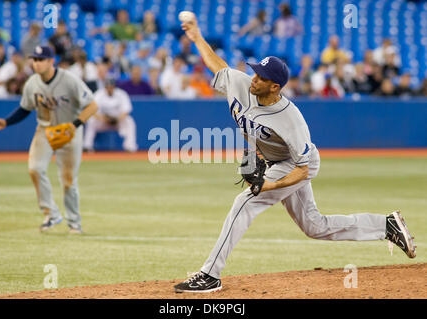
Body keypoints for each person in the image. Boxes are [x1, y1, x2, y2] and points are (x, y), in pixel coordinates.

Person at [173, 15, 416, 293]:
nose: (254, 78)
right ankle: (385, 225)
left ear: (274, 87)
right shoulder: (241, 84)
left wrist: (270, 185)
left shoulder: (291, 120)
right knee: (315, 226)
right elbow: (216, 65)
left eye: (261, 77)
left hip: (298, 164)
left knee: (244, 203)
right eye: (255, 71)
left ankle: (209, 275)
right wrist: (196, 37)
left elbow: (302, 169)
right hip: (274, 159)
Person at [0, 45, 98, 234]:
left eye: (41, 60)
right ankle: (51, 214)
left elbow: (92, 105)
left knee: (68, 180)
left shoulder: (69, 80)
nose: (36, 63)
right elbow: (25, 108)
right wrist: (6, 122)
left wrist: (75, 124)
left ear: (51, 61)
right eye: (34, 59)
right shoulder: (32, 83)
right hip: (45, 130)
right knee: (35, 169)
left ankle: (74, 223)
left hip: (70, 131)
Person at [83, 78, 138, 152]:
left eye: (111, 87)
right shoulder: (99, 94)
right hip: (103, 121)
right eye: (108, 87)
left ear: (114, 87)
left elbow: (126, 111)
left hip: (118, 120)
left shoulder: (121, 94)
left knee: (129, 121)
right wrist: (104, 119)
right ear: (105, 87)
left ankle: (130, 146)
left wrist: (117, 119)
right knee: (91, 121)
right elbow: (93, 111)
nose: (109, 89)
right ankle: (87, 146)